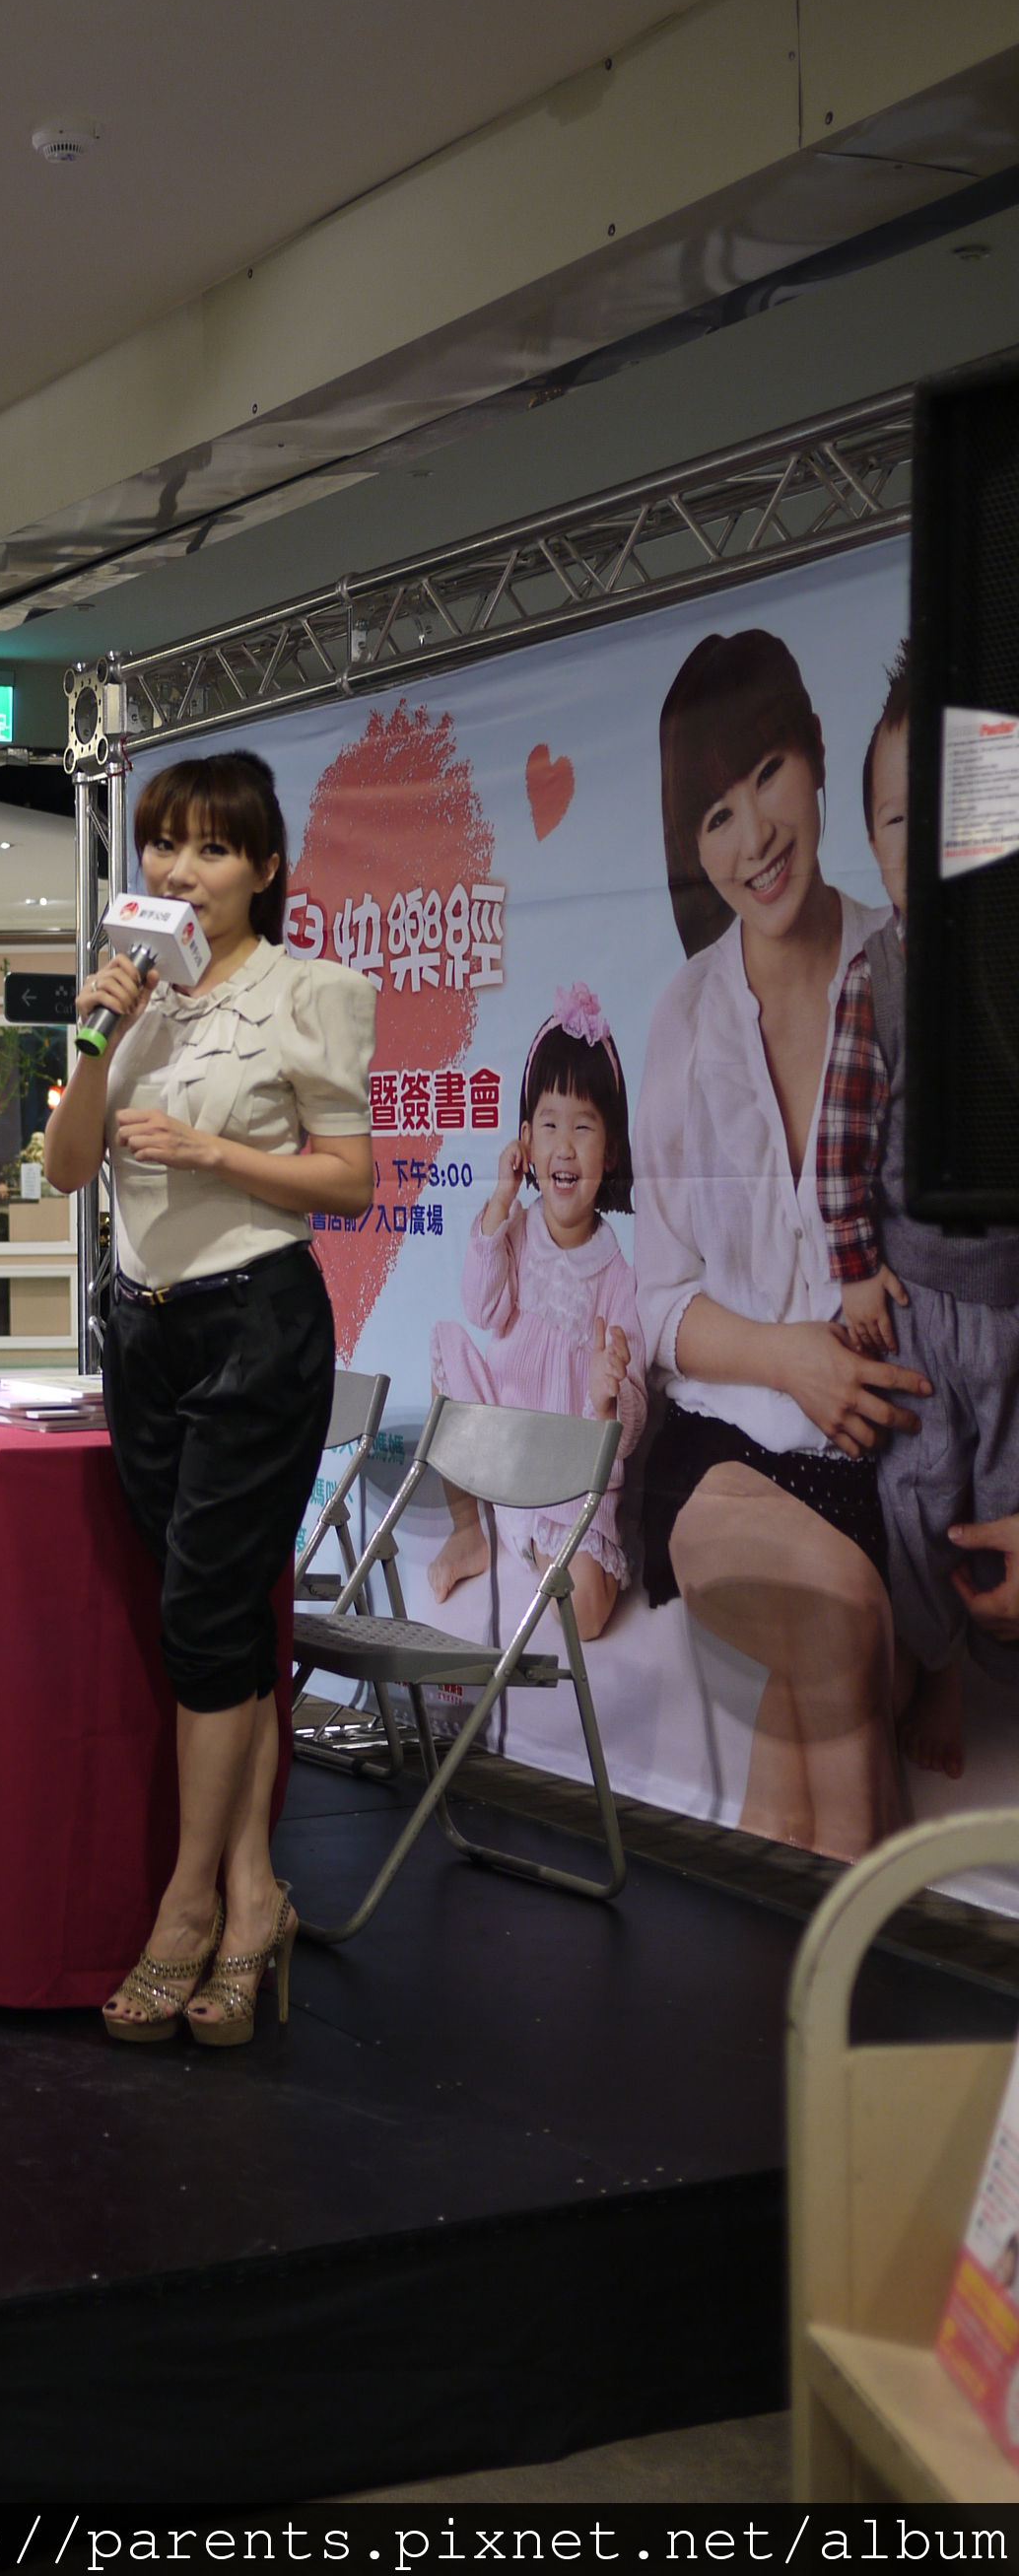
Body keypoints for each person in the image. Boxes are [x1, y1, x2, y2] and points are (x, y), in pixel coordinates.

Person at [43, 750, 374, 2047]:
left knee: (200, 1612)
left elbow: (348, 1178)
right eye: (164, 845)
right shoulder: (126, 998)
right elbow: (67, 1168)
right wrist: (93, 1036)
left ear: (265, 867)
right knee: (221, 1624)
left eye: (213, 849)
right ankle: (253, 1894)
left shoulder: (309, 990)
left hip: (256, 1326)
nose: (181, 871)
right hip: (145, 1333)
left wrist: (210, 1149)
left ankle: (186, 1908)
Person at [635, 629, 930, 1862]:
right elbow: (660, 1304)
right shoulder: (686, 1015)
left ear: (816, 758)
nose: (753, 835)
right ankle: (864, 1977)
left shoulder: (905, 972)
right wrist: (792, 1358)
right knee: (842, 1610)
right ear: (693, 847)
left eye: (767, 774)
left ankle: (805, 1986)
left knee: (801, 1749)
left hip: (888, 1468)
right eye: (715, 814)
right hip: (721, 1453)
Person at [812, 648, 1019, 1781]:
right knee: (923, 1487)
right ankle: (932, 1661)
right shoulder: (876, 979)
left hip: (1014, 1307)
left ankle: (990, 1659)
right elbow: (841, 1147)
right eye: (901, 820)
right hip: (925, 1306)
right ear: (874, 842)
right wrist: (856, 1268)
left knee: (1008, 1487)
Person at [427, 985, 646, 1641]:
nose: (564, 1146)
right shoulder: (516, 1230)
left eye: (583, 1127)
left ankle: (547, 1546)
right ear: (525, 1142)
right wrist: (500, 1200)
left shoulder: (619, 1277)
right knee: (446, 1358)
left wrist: (609, 1397)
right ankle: (472, 1530)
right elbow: (480, 1305)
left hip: (570, 1479)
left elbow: (629, 1421)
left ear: (611, 1151)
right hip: (504, 1446)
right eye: (549, 1125)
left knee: (587, 1616)